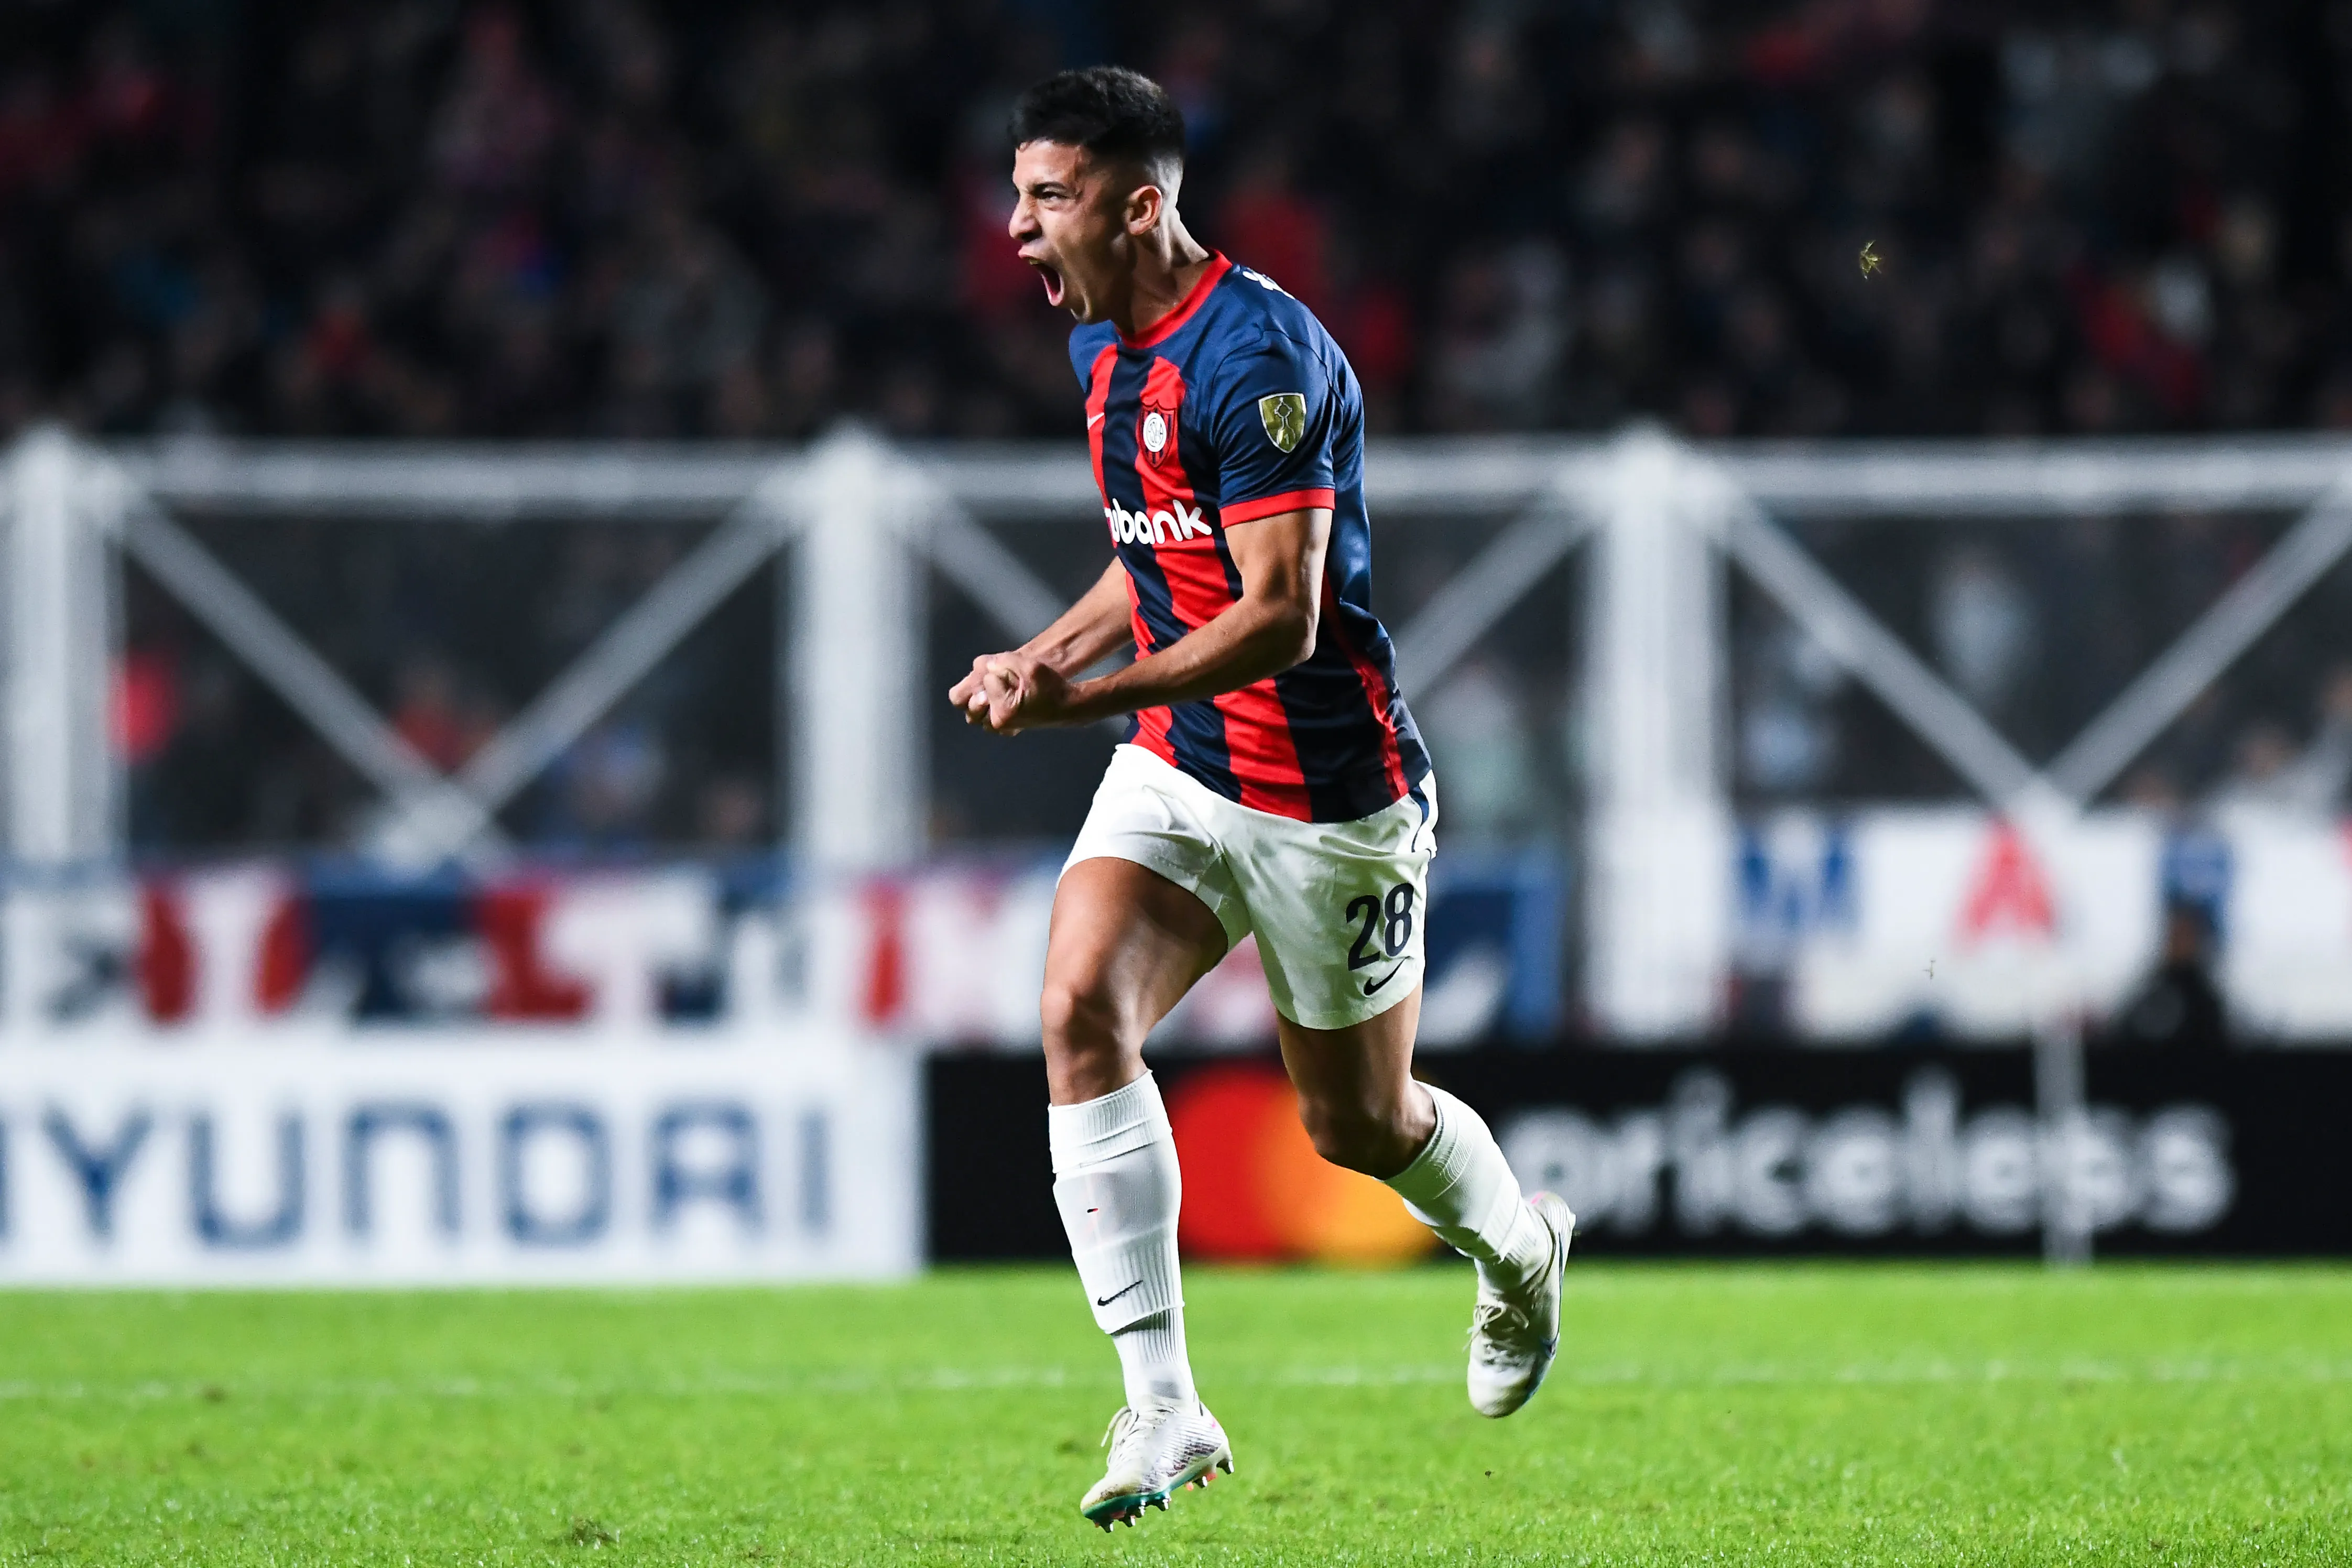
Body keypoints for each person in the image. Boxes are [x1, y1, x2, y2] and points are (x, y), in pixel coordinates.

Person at [949, 66, 1573, 1532]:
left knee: (1354, 1129)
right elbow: (1156, 547)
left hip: (1327, 797)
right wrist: (1050, 651)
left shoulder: (1263, 360)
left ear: (1140, 202)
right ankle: (1163, 1403)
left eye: (1050, 199)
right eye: (1021, 195)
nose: (1023, 230)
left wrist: (1074, 702)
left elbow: (1279, 614)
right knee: (1076, 1010)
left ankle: (1521, 1259)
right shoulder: (1102, 346)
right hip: (1181, 765)